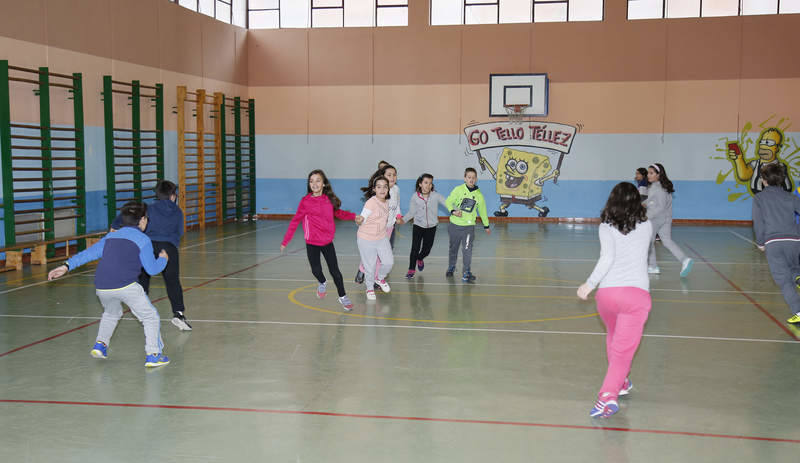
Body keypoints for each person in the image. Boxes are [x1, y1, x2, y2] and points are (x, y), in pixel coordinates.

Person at [48, 201, 171, 367]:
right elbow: (151, 269)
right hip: (127, 286)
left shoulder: (111, 236)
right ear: (142, 220)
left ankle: (101, 344)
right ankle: (153, 354)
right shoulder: (143, 239)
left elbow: (88, 254)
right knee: (150, 317)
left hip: (102, 286)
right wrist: (163, 260)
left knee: (111, 313)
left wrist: (66, 266)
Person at [577, 182, 653, 418]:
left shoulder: (606, 227)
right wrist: (590, 282)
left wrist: (590, 284)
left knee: (614, 338)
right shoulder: (648, 225)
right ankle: (607, 397)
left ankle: (621, 382)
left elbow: (607, 257)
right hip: (636, 296)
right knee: (623, 351)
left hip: (607, 296)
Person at [111, 180, 191, 331]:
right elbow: (180, 232)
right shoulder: (178, 212)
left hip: (146, 245)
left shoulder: (148, 208)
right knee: (172, 281)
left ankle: (141, 308)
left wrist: (114, 226)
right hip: (168, 248)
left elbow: (126, 215)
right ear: (173, 196)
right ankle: (178, 314)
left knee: (143, 277)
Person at [281, 169, 358, 311]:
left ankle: (343, 297)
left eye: (318, 180)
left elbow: (339, 213)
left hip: (327, 242)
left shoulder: (329, 200)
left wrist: (354, 216)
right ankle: (322, 282)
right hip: (312, 243)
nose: (314, 183)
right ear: (309, 184)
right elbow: (295, 221)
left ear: (323, 184)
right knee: (316, 270)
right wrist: (286, 240)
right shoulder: (305, 202)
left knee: (336, 272)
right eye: (311, 181)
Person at [752, 163, 800, 325]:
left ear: (763, 180)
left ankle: (798, 312)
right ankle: (798, 277)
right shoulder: (791, 197)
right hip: (794, 241)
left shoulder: (759, 198)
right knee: (794, 269)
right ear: (782, 179)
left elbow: (758, 223)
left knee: (783, 280)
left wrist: (760, 242)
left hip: (773, 242)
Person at [355, 164, 404, 284]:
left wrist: (398, 216)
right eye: (389, 175)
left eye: (394, 175)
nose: (392, 177)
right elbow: (365, 214)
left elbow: (397, 206)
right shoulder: (380, 193)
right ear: (383, 177)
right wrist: (361, 220)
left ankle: (377, 277)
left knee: (384, 255)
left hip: (390, 227)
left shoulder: (396, 190)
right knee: (373, 254)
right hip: (376, 231)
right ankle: (362, 270)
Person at [644, 163, 693, 277]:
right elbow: (652, 201)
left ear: (658, 175)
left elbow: (660, 207)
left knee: (649, 241)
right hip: (666, 218)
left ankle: (652, 266)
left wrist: (647, 216)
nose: (648, 175)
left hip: (657, 218)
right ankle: (684, 260)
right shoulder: (659, 186)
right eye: (648, 173)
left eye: (651, 173)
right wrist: (643, 204)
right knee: (666, 241)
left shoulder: (659, 188)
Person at [445, 167, 491, 282]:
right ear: (465, 178)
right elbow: (448, 201)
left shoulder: (479, 195)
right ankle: (451, 266)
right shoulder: (458, 190)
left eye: (473, 178)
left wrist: (486, 225)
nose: (471, 179)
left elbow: (483, 211)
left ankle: (466, 272)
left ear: (476, 179)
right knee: (453, 248)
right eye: (469, 177)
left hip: (468, 228)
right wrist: (453, 211)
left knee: (467, 250)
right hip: (454, 225)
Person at [403, 173, 448, 279]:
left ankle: (420, 258)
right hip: (418, 226)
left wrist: (455, 210)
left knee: (427, 250)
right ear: (420, 184)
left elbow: (447, 203)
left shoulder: (435, 196)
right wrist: (403, 220)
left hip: (431, 227)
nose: (428, 185)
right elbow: (411, 212)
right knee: (415, 248)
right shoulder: (415, 196)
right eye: (426, 183)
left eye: (430, 183)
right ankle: (411, 269)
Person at [356, 175, 393, 300]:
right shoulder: (371, 202)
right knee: (369, 266)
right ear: (374, 189)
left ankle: (380, 278)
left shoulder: (387, 202)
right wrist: (359, 220)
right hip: (366, 238)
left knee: (388, 262)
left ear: (388, 189)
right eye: (379, 187)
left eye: (385, 187)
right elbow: (362, 217)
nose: (382, 189)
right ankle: (370, 288)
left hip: (381, 237)